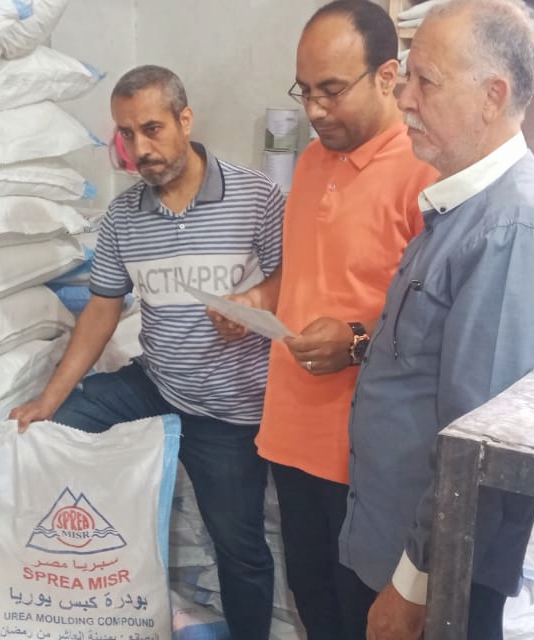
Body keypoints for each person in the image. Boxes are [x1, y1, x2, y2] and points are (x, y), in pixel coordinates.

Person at [338, 1, 534, 639]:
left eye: (426, 81)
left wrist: (416, 586)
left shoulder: (513, 227)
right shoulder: (461, 212)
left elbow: (480, 446)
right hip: (396, 551)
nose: (404, 99)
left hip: (437, 582)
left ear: (492, 96)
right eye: (407, 79)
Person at [9, 65, 281, 640]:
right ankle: (88, 597)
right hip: (156, 384)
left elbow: (295, 278)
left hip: (229, 408)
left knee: (239, 549)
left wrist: (253, 301)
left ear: (186, 120)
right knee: (58, 426)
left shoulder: (255, 196)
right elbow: (102, 310)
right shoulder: (124, 217)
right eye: (127, 134)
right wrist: (48, 400)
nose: (140, 149)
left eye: (152, 129)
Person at [208, 3, 438, 639]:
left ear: (387, 76)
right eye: (304, 91)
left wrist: (357, 341)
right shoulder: (311, 162)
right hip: (292, 435)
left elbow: (435, 325)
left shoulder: (425, 174)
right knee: (314, 607)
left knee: (366, 619)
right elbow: (310, 268)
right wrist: (260, 300)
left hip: (367, 456)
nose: (314, 109)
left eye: (332, 91)